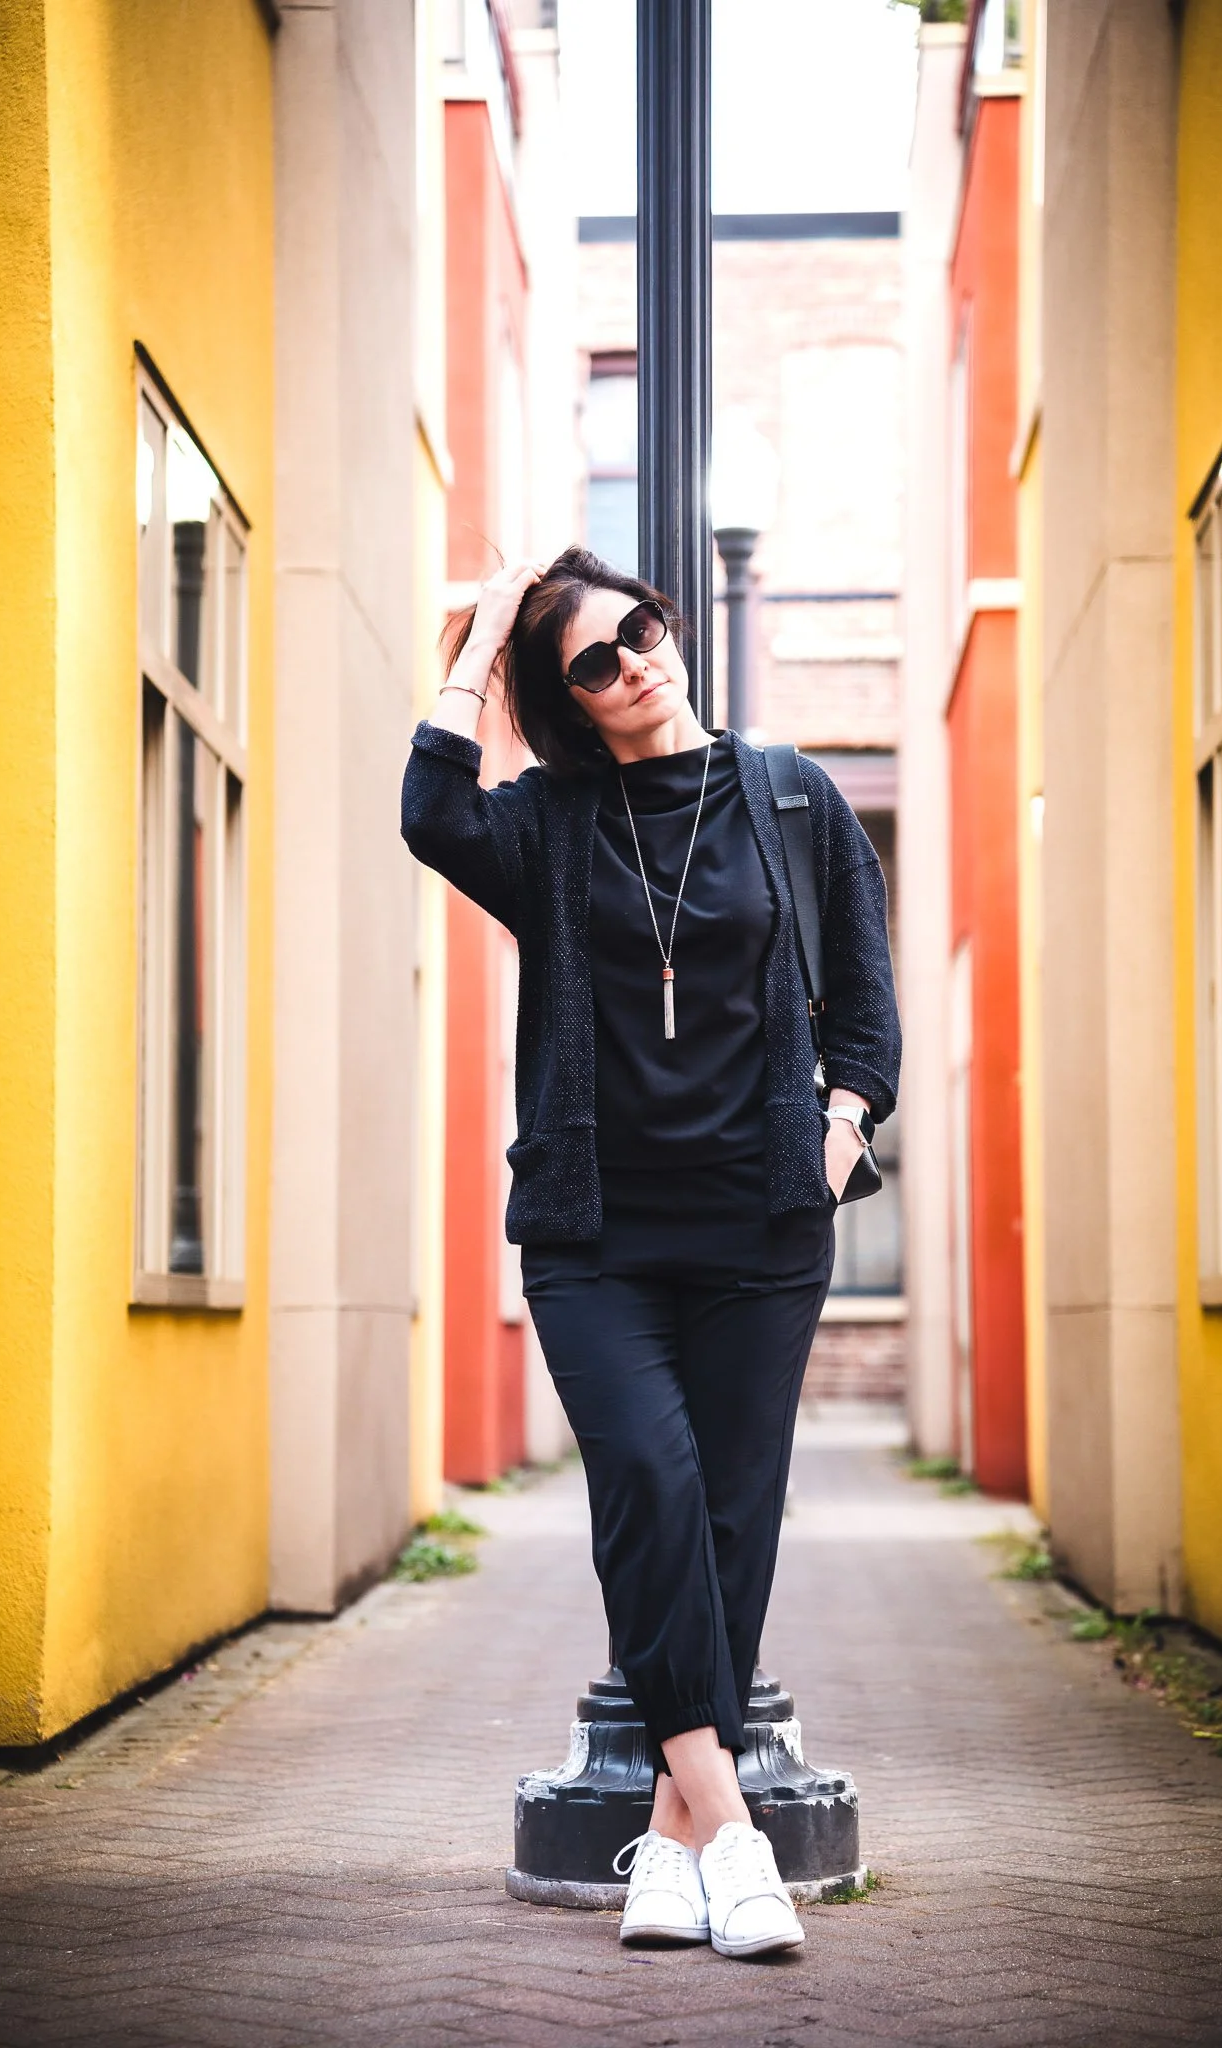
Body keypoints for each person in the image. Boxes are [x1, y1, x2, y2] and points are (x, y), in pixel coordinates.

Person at [401, 547, 900, 1960]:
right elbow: (430, 809)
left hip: (761, 1224)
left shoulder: (792, 795)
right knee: (649, 1486)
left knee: (734, 1514)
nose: (636, 661)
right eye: (595, 662)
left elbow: (864, 1002)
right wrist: (489, 629)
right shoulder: (552, 823)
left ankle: (671, 1852)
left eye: (643, 629)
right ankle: (734, 1835)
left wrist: (841, 1125)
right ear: (566, 702)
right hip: (595, 1232)